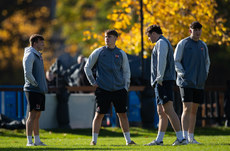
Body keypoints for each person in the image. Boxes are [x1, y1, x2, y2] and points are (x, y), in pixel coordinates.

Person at [84, 29, 136, 146]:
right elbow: (87, 67)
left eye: (110, 37)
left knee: (122, 115)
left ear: (116, 39)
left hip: (119, 90)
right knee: (99, 115)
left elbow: (127, 71)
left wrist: (125, 87)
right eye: (106, 37)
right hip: (103, 89)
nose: (107, 39)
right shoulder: (98, 52)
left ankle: (128, 141)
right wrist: (92, 82)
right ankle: (94, 141)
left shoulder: (121, 53)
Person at [144, 25, 187, 146]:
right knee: (161, 111)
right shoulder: (162, 42)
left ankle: (181, 138)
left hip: (163, 81)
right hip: (162, 80)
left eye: (149, 36)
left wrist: (159, 77)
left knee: (168, 109)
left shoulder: (161, 43)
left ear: (153, 33)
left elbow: (161, 60)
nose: (149, 39)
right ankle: (159, 140)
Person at [174, 21, 210, 144]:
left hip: (199, 83)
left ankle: (191, 137)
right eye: (195, 30)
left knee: (194, 110)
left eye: (199, 30)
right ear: (190, 31)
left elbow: (207, 62)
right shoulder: (183, 43)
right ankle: (183, 138)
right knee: (187, 108)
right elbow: (176, 60)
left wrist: (204, 75)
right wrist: (182, 74)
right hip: (185, 82)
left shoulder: (203, 45)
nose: (198, 32)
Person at [23, 34, 48, 146]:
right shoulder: (30, 54)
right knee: (32, 115)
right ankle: (29, 141)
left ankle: (37, 140)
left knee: (37, 115)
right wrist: (35, 84)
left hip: (39, 90)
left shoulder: (38, 55)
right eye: (41, 42)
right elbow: (27, 73)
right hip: (32, 89)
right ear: (35, 43)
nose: (43, 44)